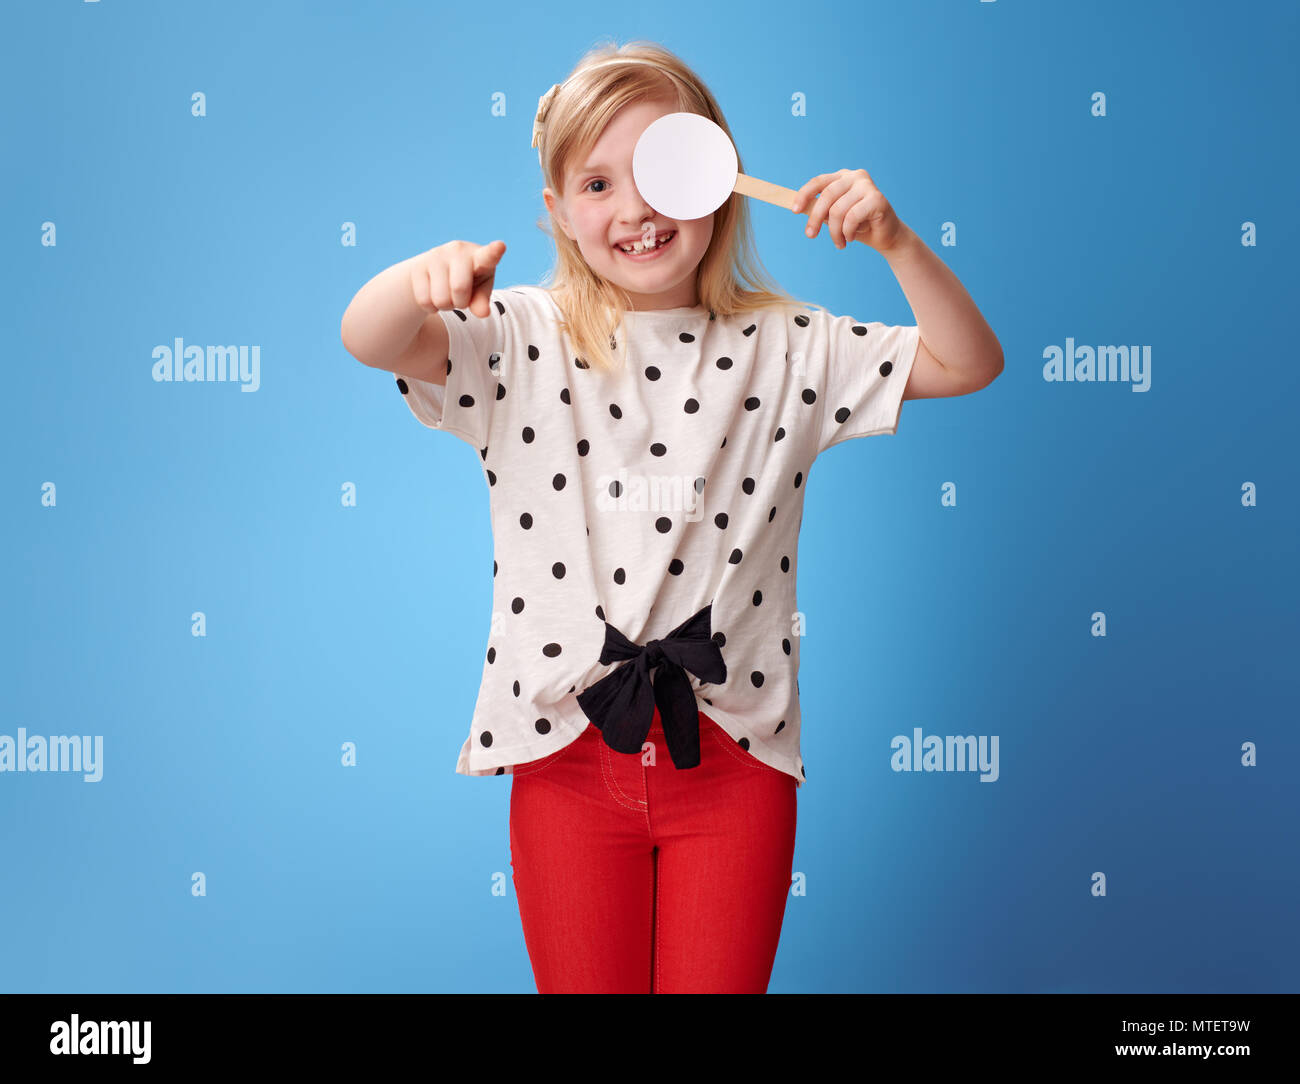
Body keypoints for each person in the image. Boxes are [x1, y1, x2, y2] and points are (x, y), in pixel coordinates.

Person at [339, 40, 1003, 994]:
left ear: (724, 182)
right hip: (566, 761)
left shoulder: (792, 349)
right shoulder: (519, 342)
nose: (638, 210)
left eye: (664, 170)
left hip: (736, 765)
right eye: (599, 182)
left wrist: (899, 242)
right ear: (558, 215)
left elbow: (970, 361)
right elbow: (371, 339)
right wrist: (418, 280)